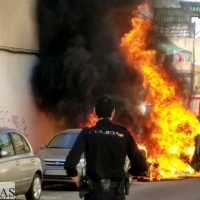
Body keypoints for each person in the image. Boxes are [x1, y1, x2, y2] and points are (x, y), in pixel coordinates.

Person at [64, 95, 147, 200]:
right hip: (116, 194)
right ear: (113, 112)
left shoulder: (87, 133)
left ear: (95, 112)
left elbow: (70, 164)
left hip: (94, 194)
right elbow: (141, 165)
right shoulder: (124, 134)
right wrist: (128, 174)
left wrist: (78, 180)